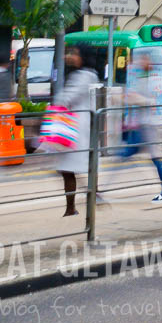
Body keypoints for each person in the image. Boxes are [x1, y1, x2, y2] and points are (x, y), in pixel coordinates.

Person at [53, 47, 99, 217]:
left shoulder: (82, 76)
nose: (69, 57)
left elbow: (66, 99)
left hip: (74, 128)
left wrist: (52, 105)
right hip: (82, 127)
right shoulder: (90, 74)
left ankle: (72, 207)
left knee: (67, 169)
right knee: (83, 166)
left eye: (74, 54)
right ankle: (93, 196)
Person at [122, 53, 162, 202]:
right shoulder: (140, 79)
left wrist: (137, 99)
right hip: (142, 125)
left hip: (152, 125)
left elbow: (154, 101)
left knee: (155, 157)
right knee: (125, 154)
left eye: (144, 60)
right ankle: (103, 189)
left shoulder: (156, 80)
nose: (141, 62)